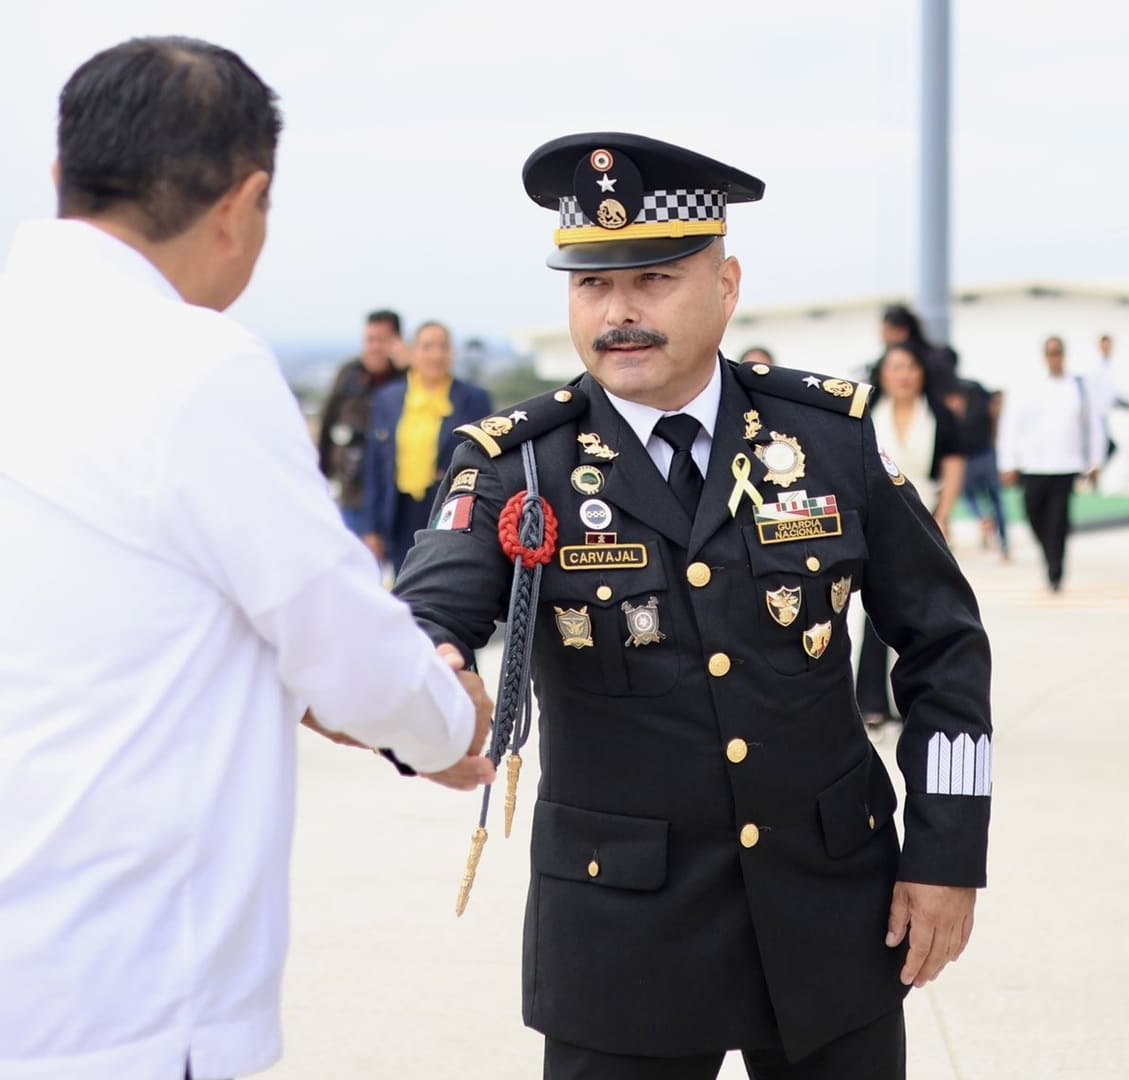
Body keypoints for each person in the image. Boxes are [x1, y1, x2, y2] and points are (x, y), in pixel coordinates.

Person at [0, 38, 494, 1080]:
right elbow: (346, 644)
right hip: (120, 1002)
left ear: (62, 179)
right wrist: (448, 717)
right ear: (243, 203)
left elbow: (68, 626)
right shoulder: (197, 368)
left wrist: (283, 690)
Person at [377, 132, 992, 1079]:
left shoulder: (827, 440)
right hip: (624, 940)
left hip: (831, 915)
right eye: (591, 285)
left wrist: (946, 848)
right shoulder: (516, 464)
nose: (619, 312)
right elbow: (428, 616)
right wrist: (424, 688)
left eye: (654, 278)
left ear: (727, 284)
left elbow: (945, 644)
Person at [856, 343, 964, 729]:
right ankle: (869, 700)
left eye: (910, 367)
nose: (903, 375)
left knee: (926, 615)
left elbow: (953, 466)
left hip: (925, 519)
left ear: (922, 373)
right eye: (895, 367)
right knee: (874, 614)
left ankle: (921, 700)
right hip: (876, 523)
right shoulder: (865, 414)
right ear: (882, 374)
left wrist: (945, 514)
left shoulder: (939, 415)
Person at [361, 320, 493, 573]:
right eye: (427, 347)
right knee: (403, 583)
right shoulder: (389, 398)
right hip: (400, 508)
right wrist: (372, 528)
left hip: (448, 507)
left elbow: (485, 462)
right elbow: (375, 466)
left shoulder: (473, 399)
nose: (436, 355)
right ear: (412, 352)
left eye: (443, 347)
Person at [998, 335, 1109, 592]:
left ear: (1064, 355)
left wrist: (1095, 461)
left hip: (1066, 465)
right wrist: (1008, 463)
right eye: (1051, 352)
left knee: (1058, 520)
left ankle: (1056, 570)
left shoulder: (1079, 387)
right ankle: (1049, 552)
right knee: (1033, 513)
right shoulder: (1031, 387)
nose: (1055, 357)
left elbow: (1093, 425)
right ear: (1045, 356)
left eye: (1059, 352)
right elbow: (1011, 426)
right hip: (1035, 466)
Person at [317, 310, 405, 539]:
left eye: (382, 340)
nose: (374, 347)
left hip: (395, 496)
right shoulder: (350, 375)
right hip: (353, 488)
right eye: (369, 340)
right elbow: (329, 423)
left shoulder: (408, 380)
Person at [947, 378, 1009, 559]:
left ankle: (983, 519)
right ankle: (1001, 542)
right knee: (995, 500)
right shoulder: (976, 388)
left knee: (970, 496)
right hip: (983, 453)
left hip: (973, 455)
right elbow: (996, 401)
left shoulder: (955, 390)